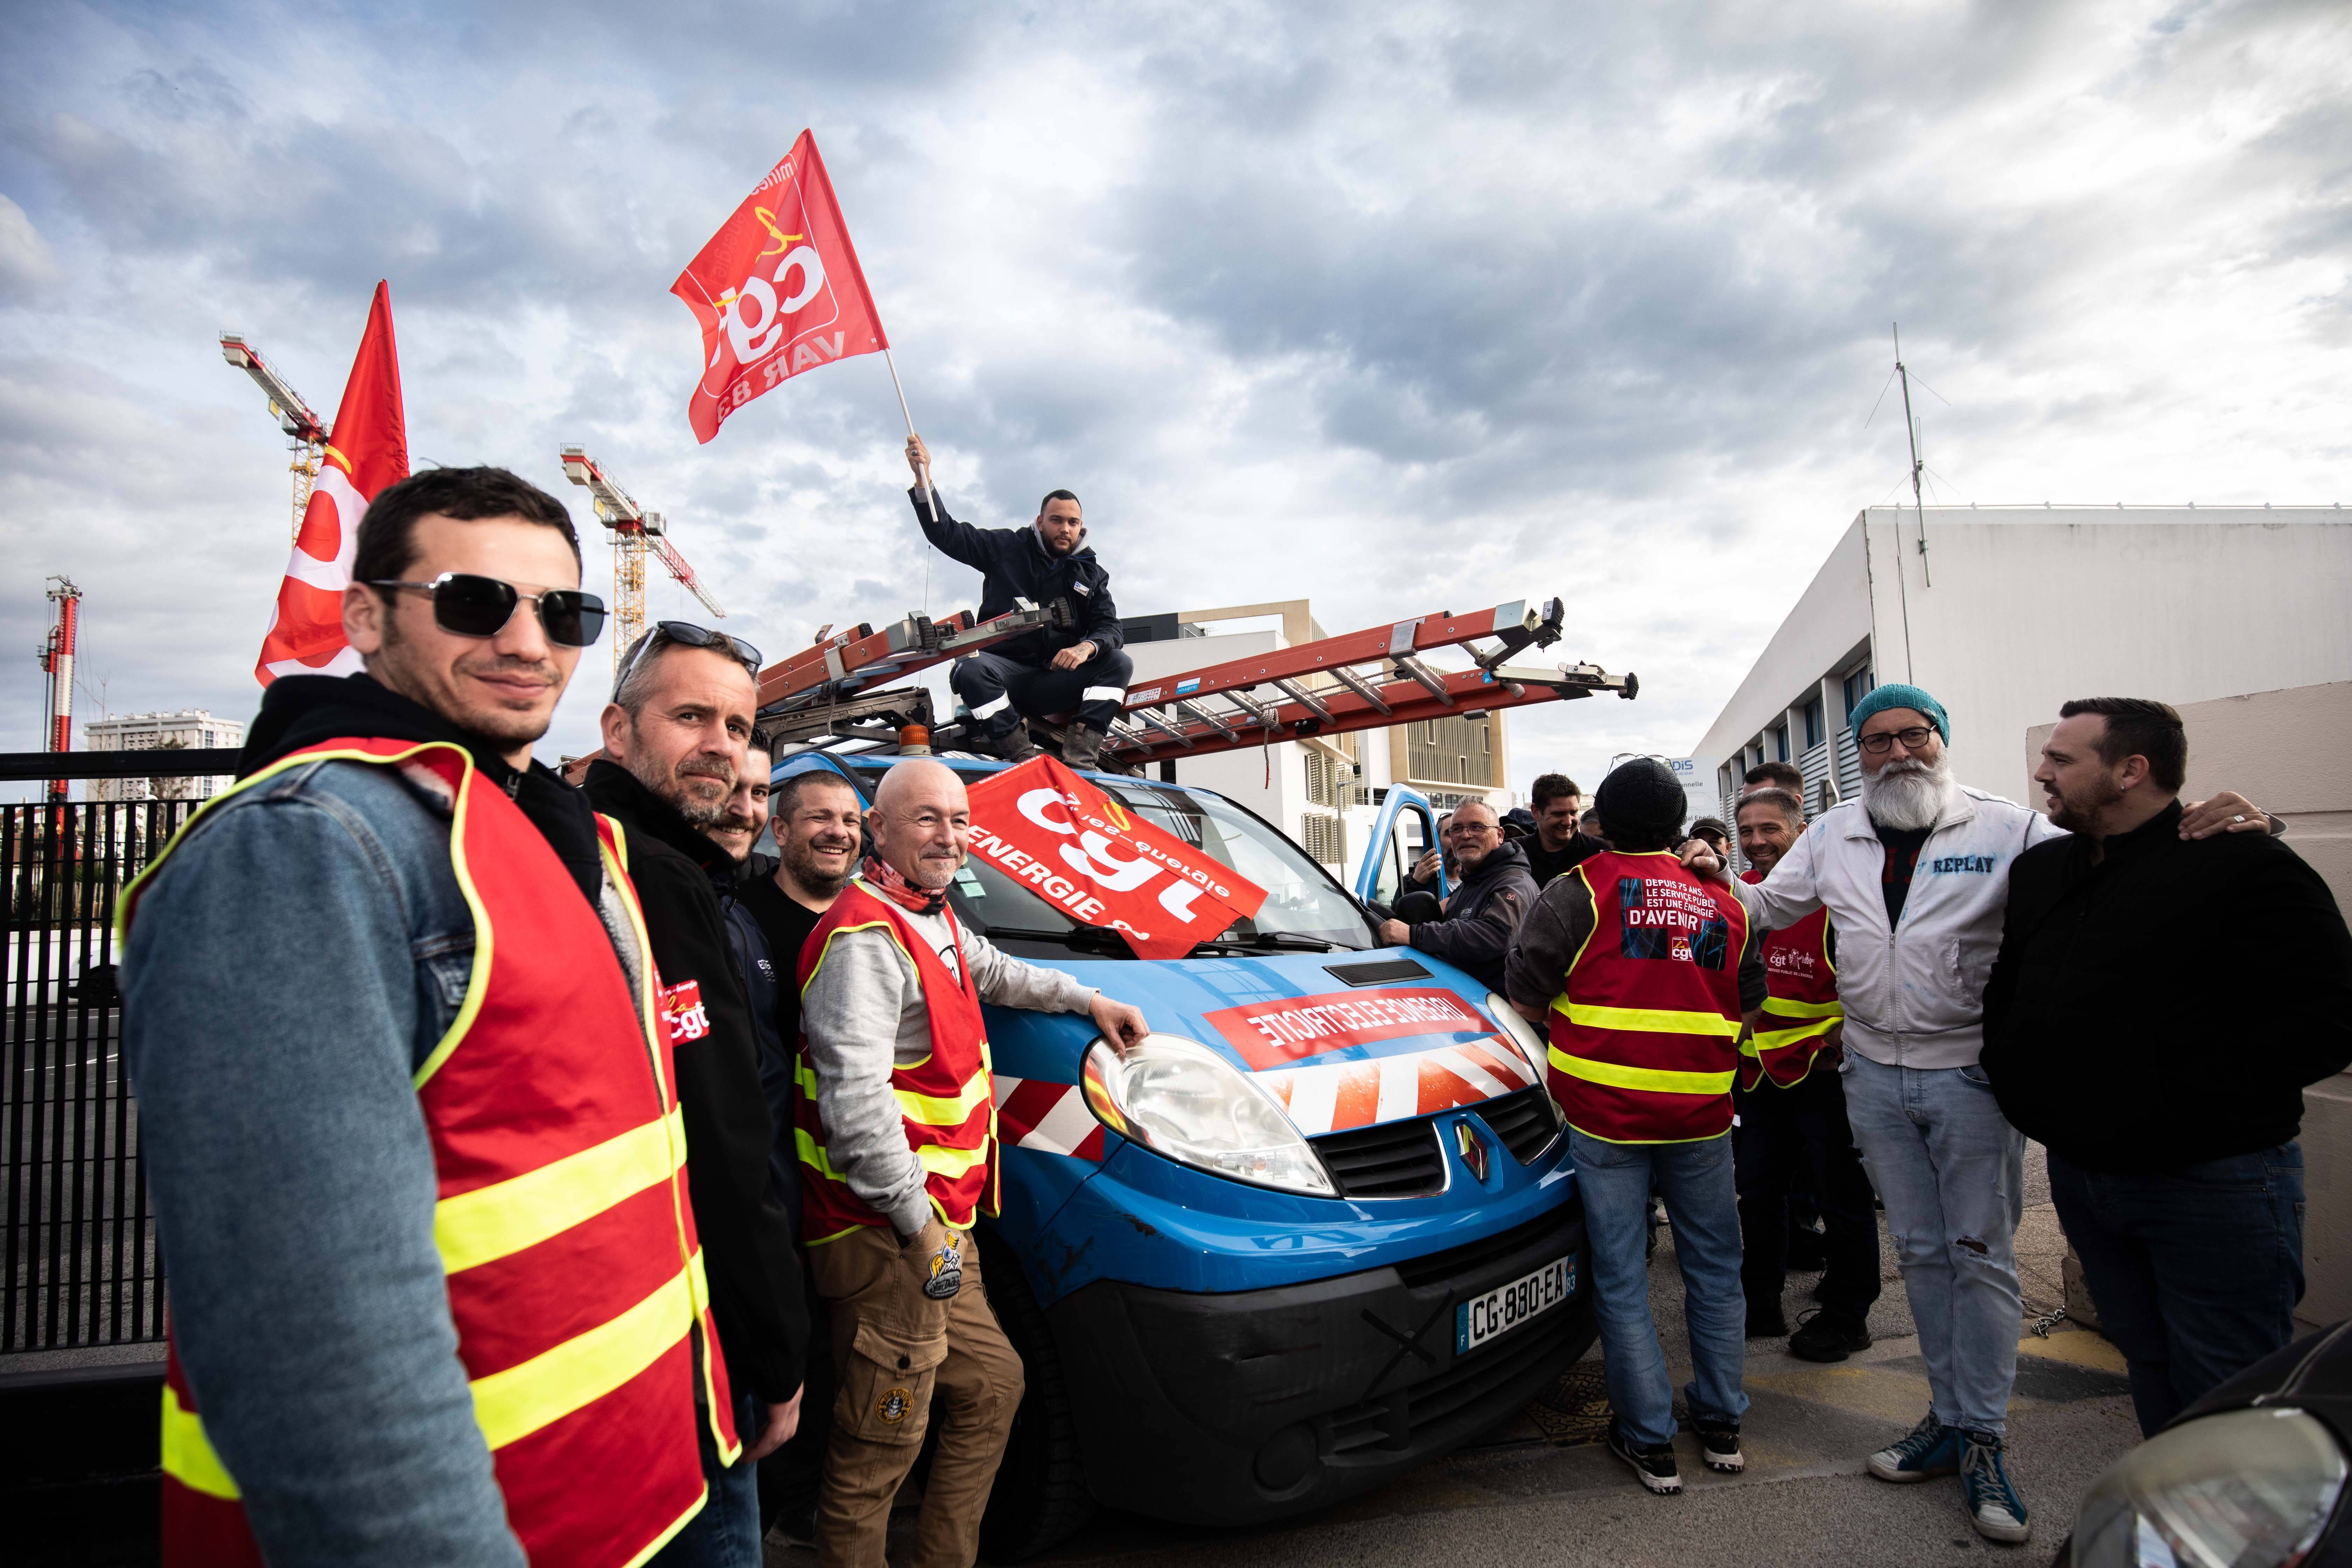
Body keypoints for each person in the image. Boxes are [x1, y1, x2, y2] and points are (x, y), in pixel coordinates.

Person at [120, 468, 729, 1564]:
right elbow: (313, 1343)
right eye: (472, 599)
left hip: (651, 1485)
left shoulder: (551, 831)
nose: (525, 638)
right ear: (366, 616)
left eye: (563, 611)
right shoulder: (307, 842)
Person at [1687, 681, 2276, 1545]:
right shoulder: (1834, 833)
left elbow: (2125, 854)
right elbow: (1768, 905)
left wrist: (2241, 829)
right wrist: (1687, 879)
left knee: (1982, 1258)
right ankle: (1947, 1418)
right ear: (1858, 755)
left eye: (1914, 735)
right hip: (1874, 1080)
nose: (1898, 754)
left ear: (1941, 739)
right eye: (1878, 741)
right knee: (1923, 1256)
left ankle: (1985, 1439)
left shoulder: (2008, 827)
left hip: (1970, 1078)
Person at [797, 759, 1150, 1568]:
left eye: (959, 820)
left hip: (940, 1229)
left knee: (994, 1388)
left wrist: (1085, 998)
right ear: (876, 829)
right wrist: (920, 1228)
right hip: (891, 1235)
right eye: (926, 820)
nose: (948, 837)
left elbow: (992, 971)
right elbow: (855, 1105)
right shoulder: (865, 938)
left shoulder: (930, 916)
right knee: (876, 1454)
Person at [1981, 698, 2352, 1435]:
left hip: (2215, 1184)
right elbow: (2011, 992)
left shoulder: (2243, 863)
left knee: (2230, 1390)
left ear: (2131, 769)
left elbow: (2327, 1020)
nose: (2041, 772)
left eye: (2062, 759)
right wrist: (2029, 1093)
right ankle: (2171, 1538)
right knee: (2146, 1362)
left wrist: (2178, 1107)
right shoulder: (2043, 871)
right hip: (2087, 1179)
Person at [586, 624, 809, 1565]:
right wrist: (776, 1350)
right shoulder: (652, 875)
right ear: (617, 730)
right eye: (690, 716)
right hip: (685, 1334)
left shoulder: (665, 866)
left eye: (736, 722)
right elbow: (720, 1135)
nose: (720, 741)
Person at [1505, 760, 1766, 1497]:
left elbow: (1526, 998)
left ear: (1603, 823)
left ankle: (1648, 1438)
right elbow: (1749, 1006)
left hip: (1605, 1116)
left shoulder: (1577, 892)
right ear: (1679, 823)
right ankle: (1721, 1423)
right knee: (1716, 1266)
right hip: (1703, 1115)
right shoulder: (1726, 902)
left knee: (1622, 1276)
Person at [735, 766, 867, 1543]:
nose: (838, 832)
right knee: (796, 1336)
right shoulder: (742, 919)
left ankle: (825, 1492)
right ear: (778, 831)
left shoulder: (870, 915)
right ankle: (787, 1504)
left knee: (852, 1344)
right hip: (777, 1176)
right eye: (819, 818)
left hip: (853, 1177)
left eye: (850, 819)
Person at [1728, 786, 1879, 1359]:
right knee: (1759, 1194)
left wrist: (1843, 1036)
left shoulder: (1835, 899)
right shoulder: (1746, 896)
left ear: (1803, 831)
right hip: (1759, 1076)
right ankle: (1760, 1302)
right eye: (1747, 831)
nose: (1757, 842)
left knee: (1841, 1197)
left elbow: (1871, 980)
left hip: (1825, 1076)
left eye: (1771, 829)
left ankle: (1848, 1314)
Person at [904, 434, 1130, 769]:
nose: (1064, 528)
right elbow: (946, 533)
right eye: (1056, 520)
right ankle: (1025, 759)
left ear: (1082, 527)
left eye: (1072, 522)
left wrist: (1086, 649)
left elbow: (1110, 627)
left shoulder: (1091, 573)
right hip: (1003, 676)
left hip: (1055, 679)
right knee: (969, 668)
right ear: (1040, 522)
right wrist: (923, 480)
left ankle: (1081, 760)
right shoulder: (1005, 548)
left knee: (1119, 663)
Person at [1376, 798, 1537, 990]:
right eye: (1457, 829)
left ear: (1500, 835)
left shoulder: (1513, 883)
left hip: (1497, 1010)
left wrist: (1412, 934)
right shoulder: (1470, 884)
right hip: (1463, 1002)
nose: (1466, 835)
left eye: (1477, 827)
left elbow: (1497, 936)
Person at [1524, 771, 1606, 886]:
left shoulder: (1600, 852)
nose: (1568, 822)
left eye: (1574, 813)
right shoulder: (1518, 853)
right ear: (1536, 812)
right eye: (1559, 814)